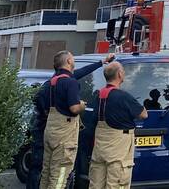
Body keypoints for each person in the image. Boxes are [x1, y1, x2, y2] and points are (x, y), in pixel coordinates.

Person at [28, 52, 115, 189]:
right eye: (72, 58)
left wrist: (101, 62)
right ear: (69, 61)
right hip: (64, 136)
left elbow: (80, 72)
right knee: (60, 174)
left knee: (47, 172)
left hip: (50, 132)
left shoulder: (52, 82)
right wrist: (82, 105)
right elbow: (74, 108)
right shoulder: (70, 82)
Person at [88, 61, 147, 188]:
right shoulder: (123, 97)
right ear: (119, 74)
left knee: (96, 184)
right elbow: (143, 114)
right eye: (123, 71)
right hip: (118, 150)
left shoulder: (99, 96)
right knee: (117, 183)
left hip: (100, 150)